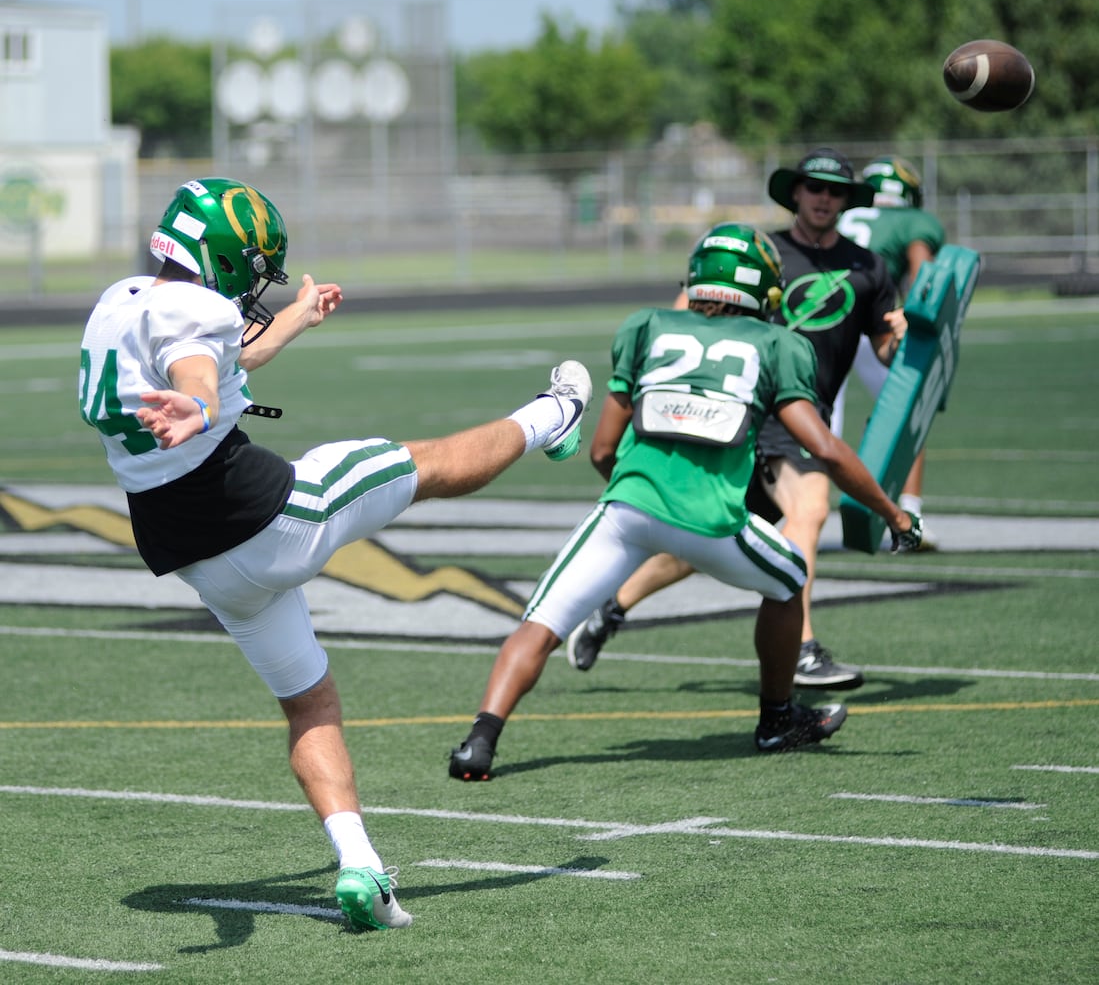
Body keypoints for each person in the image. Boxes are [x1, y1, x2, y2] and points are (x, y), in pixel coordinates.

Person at [77, 178, 593, 930]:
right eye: (252, 266)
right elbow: (198, 368)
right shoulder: (196, 313)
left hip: (195, 555)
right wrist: (195, 404)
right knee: (432, 462)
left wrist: (291, 321)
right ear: (221, 255)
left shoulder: (118, 302)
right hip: (274, 516)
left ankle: (359, 867)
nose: (254, 283)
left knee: (309, 701)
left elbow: (216, 357)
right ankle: (555, 415)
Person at [447, 222, 921, 782]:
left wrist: (634, 495)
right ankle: (776, 721)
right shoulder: (777, 344)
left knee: (542, 623)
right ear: (763, 289)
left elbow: (602, 449)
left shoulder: (646, 326)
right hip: (712, 521)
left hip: (627, 508)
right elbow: (823, 447)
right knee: (789, 579)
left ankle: (479, 742)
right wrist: (893, 513)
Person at [566, 148, 906, 691]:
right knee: (811, 508)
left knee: (701, 545)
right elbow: (685, 314)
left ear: (847, 200)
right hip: (739, 410)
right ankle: (802, 649)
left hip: (801, 412)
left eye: (835, 190)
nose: (823, 197)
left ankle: (612, 607)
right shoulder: (758, 253)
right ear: (794, 192)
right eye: (813, 187)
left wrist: (901, 335)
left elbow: (886, 350)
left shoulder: (869, 267)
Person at [834, 155, 946, 548]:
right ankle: (910, 514)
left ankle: (794, 518)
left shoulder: (841, 213)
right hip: (872, 324)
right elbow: (923, 276)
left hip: (819, 319)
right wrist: (920, 320)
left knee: (814, 427)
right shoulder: (915, 222)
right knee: (907, 412)